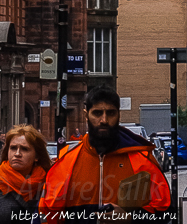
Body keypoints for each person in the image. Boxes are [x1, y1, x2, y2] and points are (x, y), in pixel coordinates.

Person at [40, 85, 171, 220]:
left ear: (119, 115)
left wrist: (131, 218)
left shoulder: (141, 160)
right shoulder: (67, 161)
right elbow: (48, 213)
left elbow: (165, 213)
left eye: (111, 113)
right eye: (97, 113)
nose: (104, 120)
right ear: (86, 115)